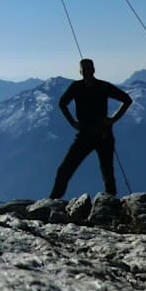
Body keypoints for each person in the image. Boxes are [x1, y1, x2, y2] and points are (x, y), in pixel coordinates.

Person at [50, 58, 132, 199]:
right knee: (67, 169)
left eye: (88, 68)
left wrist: (112, 120)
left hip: (97, 134)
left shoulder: (83, 87)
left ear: (92, 70)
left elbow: (127, 100)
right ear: (82, 71)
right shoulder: (93, 86)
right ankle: (53, 200)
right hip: (95, 134)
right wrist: (112, 120)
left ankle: (109, 203)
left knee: (105, 172)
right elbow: (62, 104)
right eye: (85, 69)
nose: (87, 71)